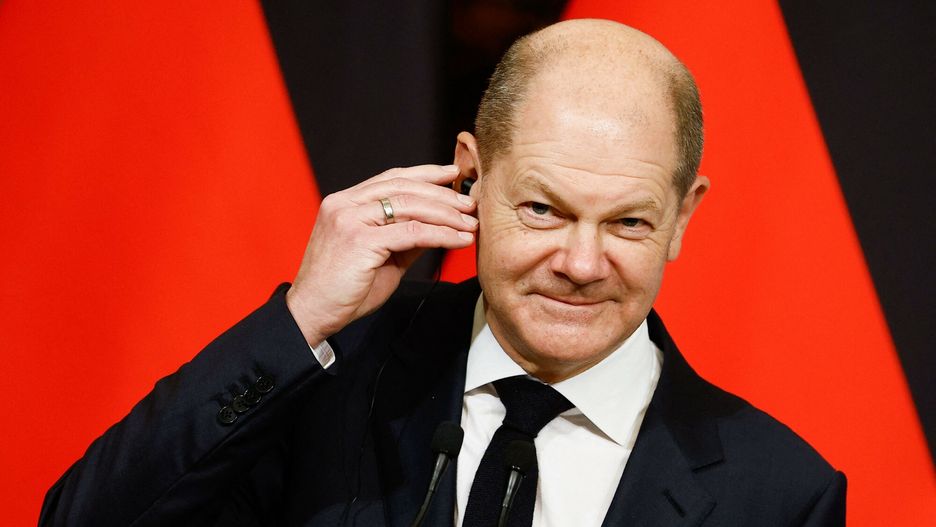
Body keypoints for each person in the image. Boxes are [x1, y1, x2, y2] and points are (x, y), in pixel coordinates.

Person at [40, 19, 845, 526]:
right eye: (543, 209)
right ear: (472, 174)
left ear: (684, 216)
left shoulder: (782, 492)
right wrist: (302, 318)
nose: (580, 263)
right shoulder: (331, 375)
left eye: (629, 222)